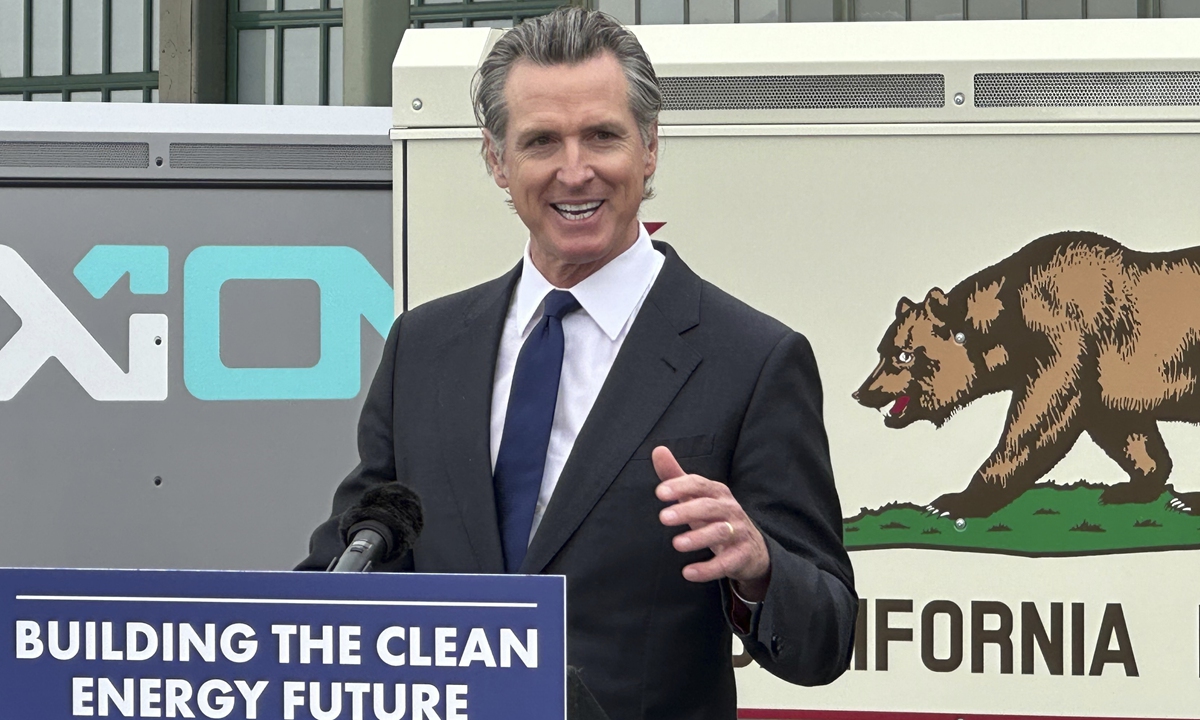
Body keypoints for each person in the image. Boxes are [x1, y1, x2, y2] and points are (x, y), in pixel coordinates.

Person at [299, 8, 856, 719]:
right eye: (540, 141)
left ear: (649, 149)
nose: (575, 169)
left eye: (602, 136)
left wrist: (760, 569)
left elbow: (829, 637)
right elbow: (355, 557)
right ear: (497, 161)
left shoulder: (752, 359)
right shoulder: (424, 347)